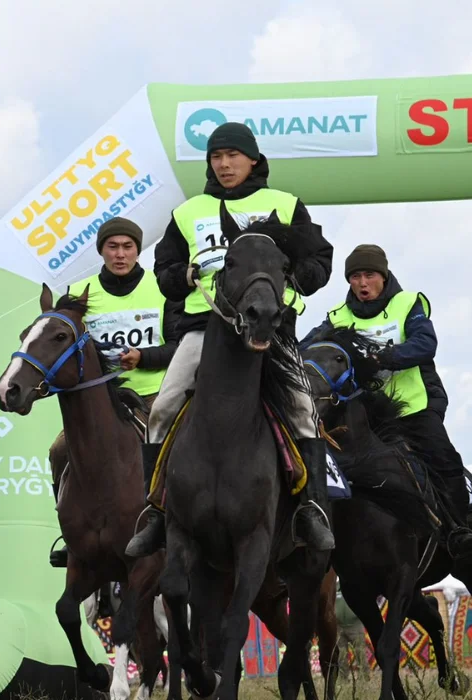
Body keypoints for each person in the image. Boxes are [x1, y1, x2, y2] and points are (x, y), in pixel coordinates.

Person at [127, 121, 336, 557]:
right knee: (161, 411)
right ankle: (156, 513)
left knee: (302, 410)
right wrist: (180, 278)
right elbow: (165, 268)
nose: (223, 165)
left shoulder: (284, 204)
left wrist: (296, 276)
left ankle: (312, 509)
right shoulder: (189, 212)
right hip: (206, 328)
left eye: (232, 157)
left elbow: (320, 258)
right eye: (215, 158)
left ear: (253, 161)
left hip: (271, 330)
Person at [302, 244, 472, 558]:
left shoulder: (408, 303)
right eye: (355, 276)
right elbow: (306, 348)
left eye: (369, 274)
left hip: (413, 409)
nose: (362, 283)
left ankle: (456, 528)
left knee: (444, 460)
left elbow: (425, 344)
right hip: (364, 417)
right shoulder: (337, 317)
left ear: (383, 276)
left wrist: (385, 357)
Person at [46, 215, 182, 567]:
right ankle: (71, 534)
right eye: (112, 247)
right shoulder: (78, 296)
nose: (120, 254)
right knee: (59, 449)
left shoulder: (162, 287)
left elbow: (181, 344)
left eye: (128, 247)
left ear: (138, 250)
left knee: (177, 452)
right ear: (101, 251)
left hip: (155, 395)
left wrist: (144, 357)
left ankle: (177, 526)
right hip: (103, 401)